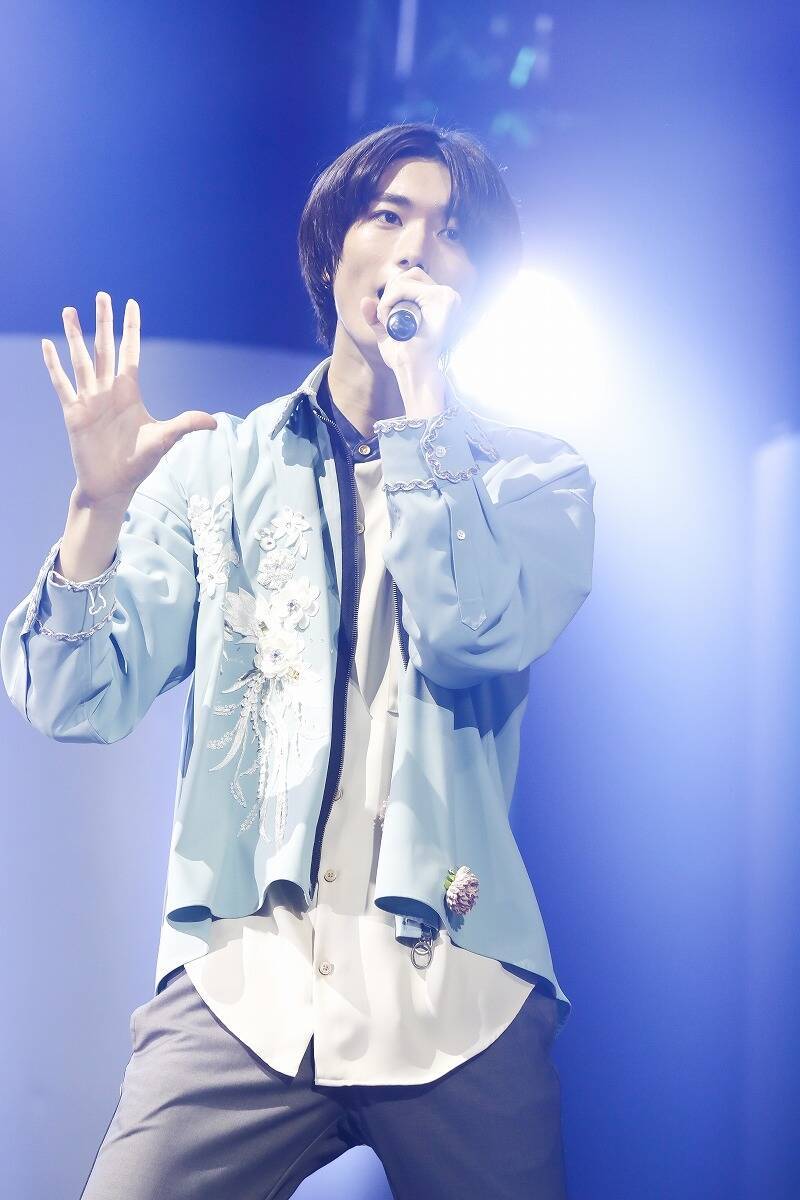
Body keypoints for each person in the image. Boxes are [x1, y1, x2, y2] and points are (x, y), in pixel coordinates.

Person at [1, 121, 596, 1199]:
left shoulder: (533, 478)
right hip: (247, 982)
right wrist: (96, 510)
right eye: (388, 216)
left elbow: (466, 632)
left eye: (450, 233)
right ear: (330, 252)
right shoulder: (219, 470)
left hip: (455, 992)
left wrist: (421, 414)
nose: (414, 250)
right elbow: (71, 695)